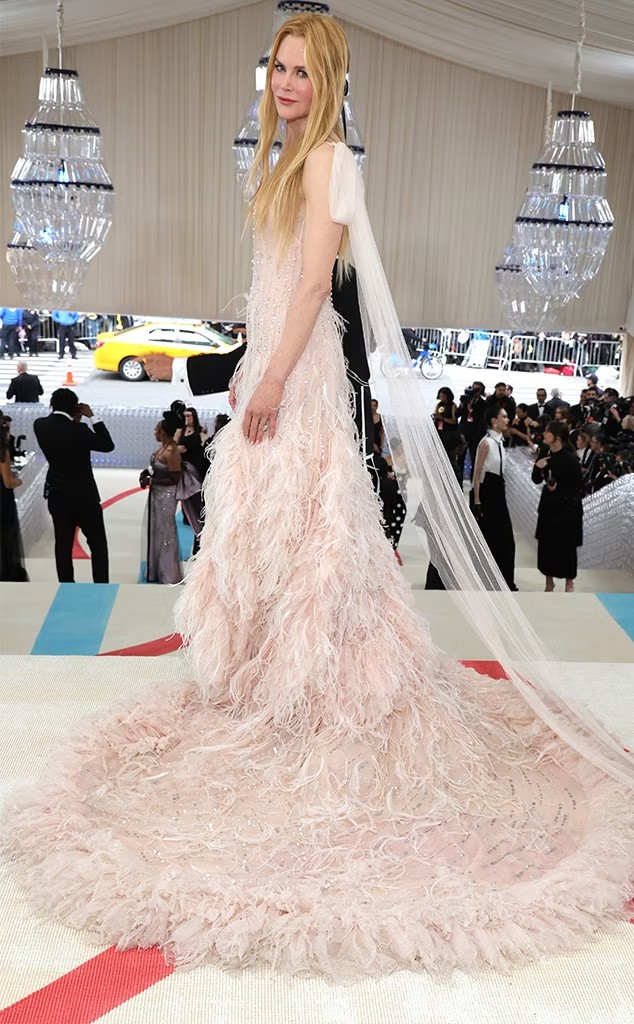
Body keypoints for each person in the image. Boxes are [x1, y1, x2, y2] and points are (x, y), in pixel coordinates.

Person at [6, 14, 634, 981]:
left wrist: (268, 379)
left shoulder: (330, 159)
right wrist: (250, 364)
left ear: (331, 79)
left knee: (311, 533)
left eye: (303, 71)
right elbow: (272, 291)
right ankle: (271, 678)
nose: (287, 83)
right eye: (280, 68)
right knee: (271, 534)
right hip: (276, 365)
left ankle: (321, 685)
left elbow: (308, 290)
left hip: (298, 380)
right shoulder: (286, 155)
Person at [33, 388, 114, 582]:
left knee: (63, 544)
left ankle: (66, 584)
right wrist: (92, 417)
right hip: (84, 495)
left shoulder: (40, 425)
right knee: (97, 544)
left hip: (57, 493)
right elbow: (107, 445)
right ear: (75, 407)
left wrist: (74, 420)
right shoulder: (80, 430)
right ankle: (101, 585)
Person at [532, 421, 583, 592]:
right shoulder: (545, 453)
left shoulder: (571, 458)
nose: (544, 434)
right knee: (547, 545)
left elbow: (577, 486)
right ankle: (549, 581)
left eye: (548, 431)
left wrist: (558, 488)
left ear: (558, 436)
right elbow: (536, 479)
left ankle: (569, 582)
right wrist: (537, 467)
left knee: (566, 546)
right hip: (549, 505)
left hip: (567, 508)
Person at [472, 405, 517, 590]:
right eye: (504, 417)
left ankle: (503, 579)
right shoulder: (486, 443)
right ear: (494, 421)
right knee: (492, 536)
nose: (507, 420)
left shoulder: (500, 442)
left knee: (504, 538)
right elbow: (477, 474)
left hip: (498, 489)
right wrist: (477, 501)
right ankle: (490, 579)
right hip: (488, 492)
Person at [139, 409, 183, 584]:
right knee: (157, 530)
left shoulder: (171, 451)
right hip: (157, 493)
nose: (154, 432)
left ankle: (169, 572)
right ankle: (156, 569)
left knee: (166, 531)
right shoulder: (162, 448)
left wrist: (152, 480)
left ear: (163, 432)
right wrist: (146, 474)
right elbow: (157, 469)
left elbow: (175, 478)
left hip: (166, 495)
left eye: (156, 429)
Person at [0, 417, 28, 581]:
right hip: (2, 499)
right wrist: (19, 481)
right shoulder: (2, 450)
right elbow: (8, 482)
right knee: (5, 536)